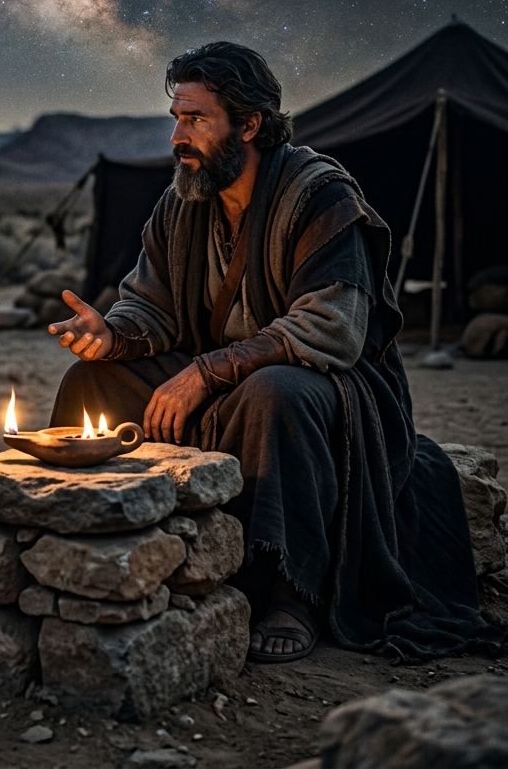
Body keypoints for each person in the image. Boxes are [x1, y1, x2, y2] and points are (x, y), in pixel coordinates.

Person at [47, 42, 503, 663]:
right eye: (176, 117)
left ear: (250, 123)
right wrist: (112, 334)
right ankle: (96, 537)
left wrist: (207, 372)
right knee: (91, 382)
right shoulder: (182, 200)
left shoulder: (321, 196)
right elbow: (149, 305)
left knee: (273, 394)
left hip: (327, 386)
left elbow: (329, 329)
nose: (179, 135)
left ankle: (294, 591)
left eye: (197, 119)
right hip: (219, 378)